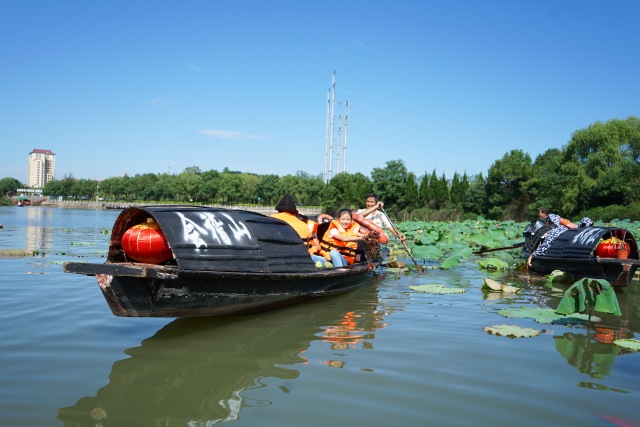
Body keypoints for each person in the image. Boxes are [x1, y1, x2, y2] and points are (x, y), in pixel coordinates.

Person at [270, 194, 330, 267]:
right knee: (323, 261)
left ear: (278, 211)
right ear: (294, 213)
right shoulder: (304, 225)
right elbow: (311, 248)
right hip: (304, 257)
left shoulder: (271, 219)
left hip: (278, 257)